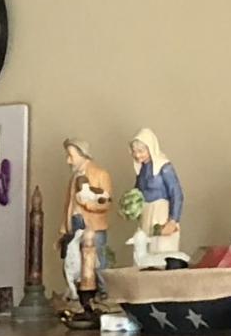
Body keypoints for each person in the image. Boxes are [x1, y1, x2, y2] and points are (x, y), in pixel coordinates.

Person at [59, 138, 113, 310]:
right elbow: (68, 205)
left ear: (83, 155)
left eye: (71, 156)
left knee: (98, 262)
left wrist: (88, 204)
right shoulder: (74, 177)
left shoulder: (100, 174)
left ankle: (104, 295)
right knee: (75, 262)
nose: (68, 160)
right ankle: (81, 297)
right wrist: (64, 229)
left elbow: (106, 203)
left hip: (93, 226)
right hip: (75, 224)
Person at [127, 128, 184, 266]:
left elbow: (176, 194)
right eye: (135, 151)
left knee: (161, 250)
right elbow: (137, 192)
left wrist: (173, 221)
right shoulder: (142, 169)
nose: (137, 155)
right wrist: (130, 205)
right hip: (146, 214)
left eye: (141, 151)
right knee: (144, 250)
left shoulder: (164, 167)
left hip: (161, 213)